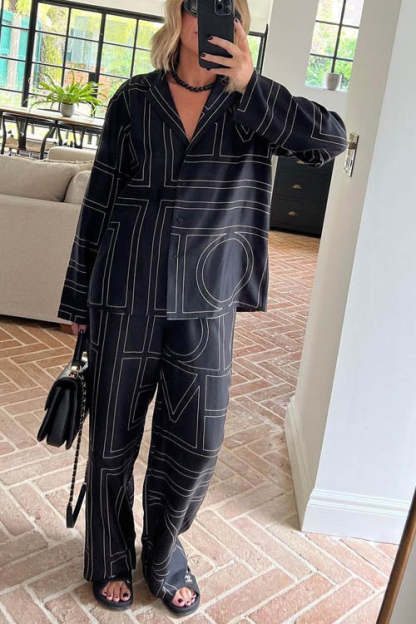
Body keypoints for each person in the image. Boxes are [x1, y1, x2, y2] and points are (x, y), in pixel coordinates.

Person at [57, 0, 347, 615]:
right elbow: (99, 197)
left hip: (208, 299)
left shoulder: (253, 105)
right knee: (112, 437)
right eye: (194, 5)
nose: (205, 18)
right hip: (125, 288)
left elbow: (328, 137)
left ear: (240, 22)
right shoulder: (134, 99)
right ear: (176, 16)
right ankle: (109, 555)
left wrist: (250, 83)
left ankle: (163, 553)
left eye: (223, 6)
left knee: (197, 443)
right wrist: (78, 293)